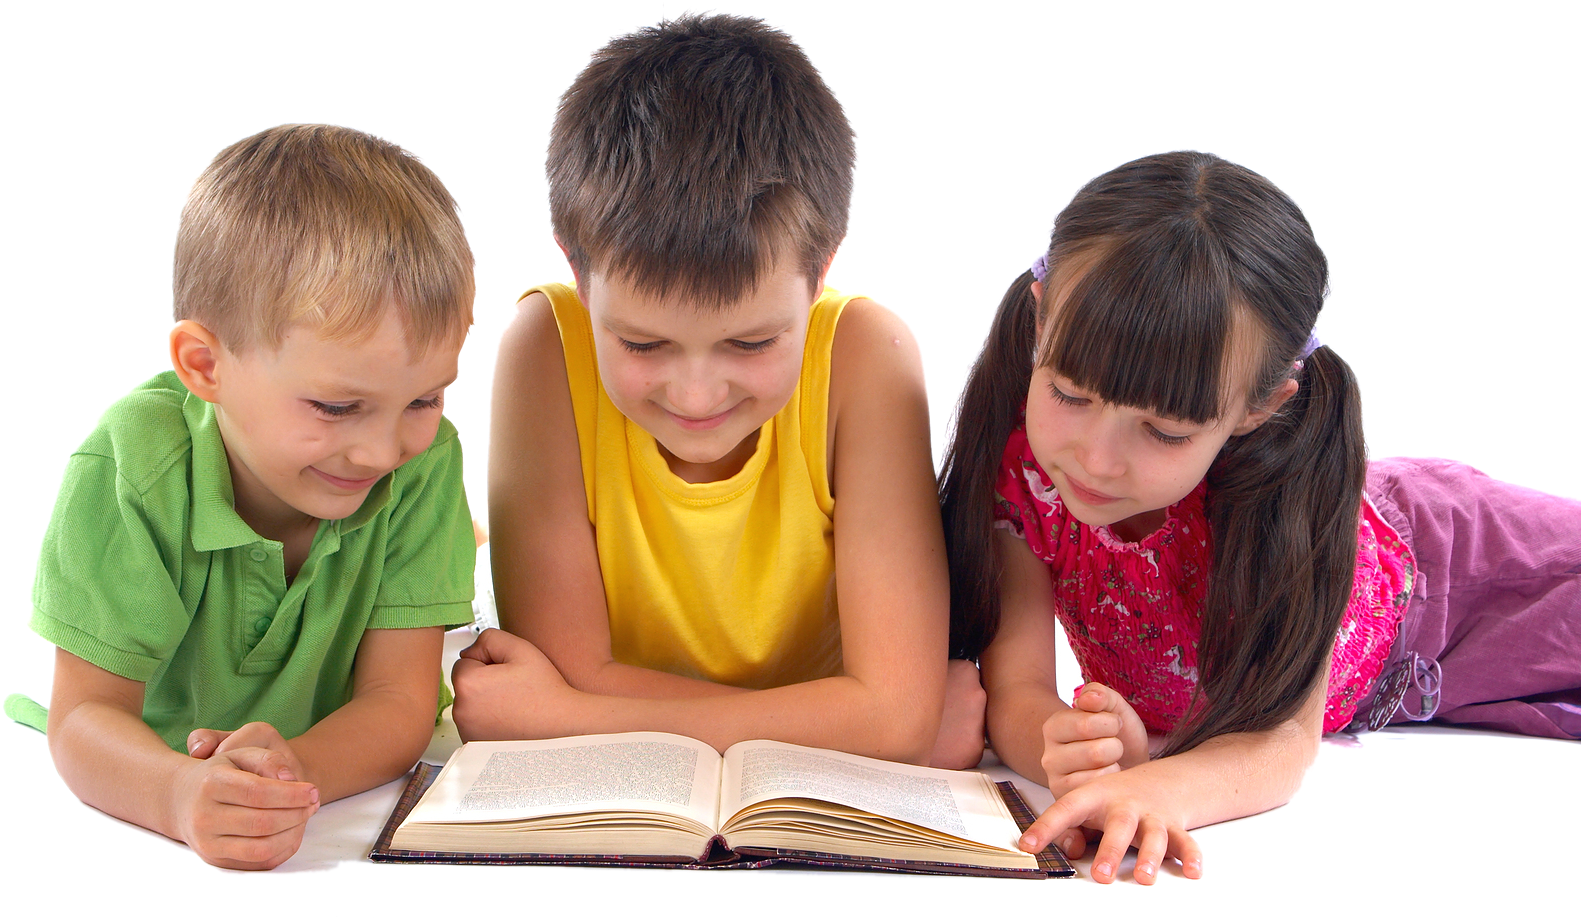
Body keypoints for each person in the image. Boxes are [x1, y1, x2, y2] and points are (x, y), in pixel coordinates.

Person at [939, 148, 1579, 885]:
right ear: (1040, 321)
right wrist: (1066, 746)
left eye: (1164, 431)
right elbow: (1017, 691)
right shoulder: (1021, 478)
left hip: (1473, 574)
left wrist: (1155, 788)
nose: (1096, 458)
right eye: (1070, 395)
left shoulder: (1281, 497)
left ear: (1258, 407)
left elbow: (1280, 745)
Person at [451, 7, 977, 767]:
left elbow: (892, 716)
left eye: (750, 341)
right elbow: (568, 670)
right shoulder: (544, 348)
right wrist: (864, 722)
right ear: (576, 268)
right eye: (641, 343)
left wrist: (566, 719)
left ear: (822, 265)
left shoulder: (868, 354)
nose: (695, 396)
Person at [25, 122, 479, 871]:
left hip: (335, 790)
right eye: (335, 408)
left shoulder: (426, 465)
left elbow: (399, 703)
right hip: (158, 769)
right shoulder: (130, 463)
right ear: (205, 365)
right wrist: (179, 793)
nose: (382, 450)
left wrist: (291, 778)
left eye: (425, 399)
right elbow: (82, 720)